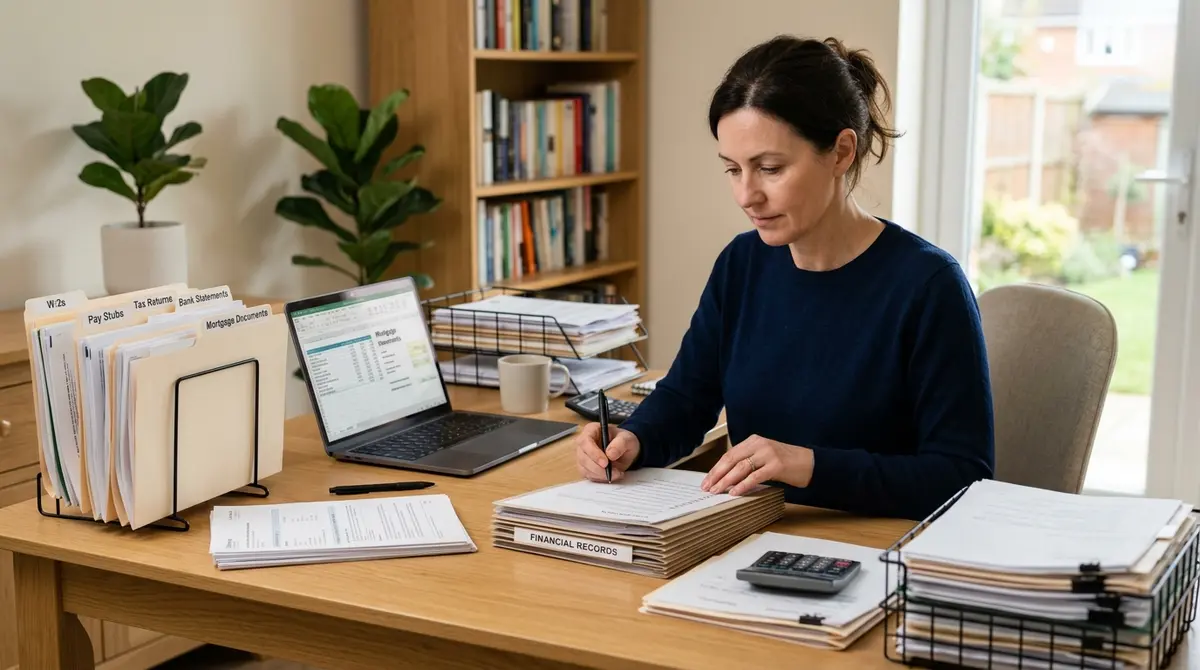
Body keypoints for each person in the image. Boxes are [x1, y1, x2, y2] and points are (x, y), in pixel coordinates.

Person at [574, 35, 995, 521]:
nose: (746, 195)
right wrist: (633, 439)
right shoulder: (741, 264)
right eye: (733, 170)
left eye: (770, 168)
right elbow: (687, 397)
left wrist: (810, 466)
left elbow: (963, 475)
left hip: (874, 546)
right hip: (757, 534)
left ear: (841, 152)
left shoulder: (928, 285)